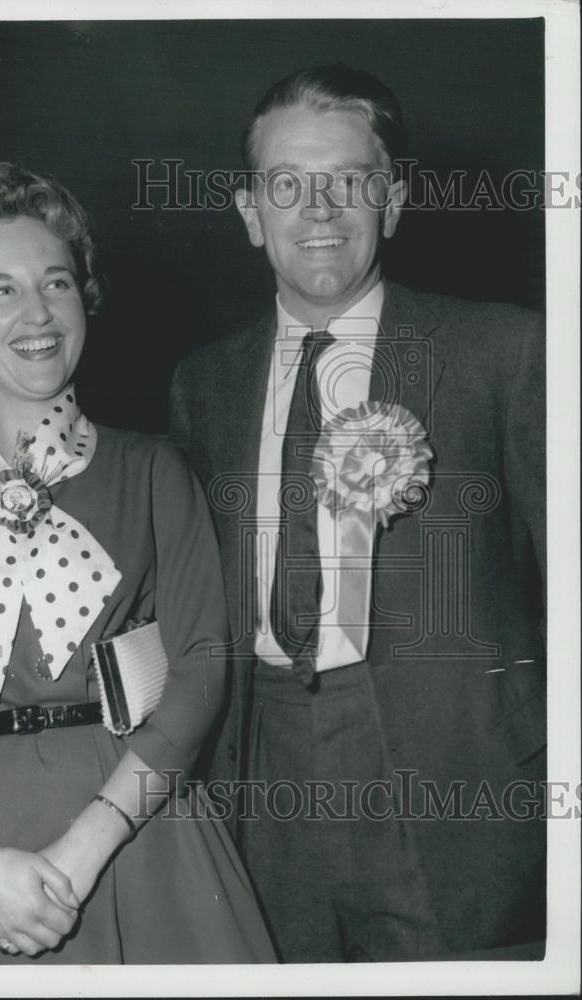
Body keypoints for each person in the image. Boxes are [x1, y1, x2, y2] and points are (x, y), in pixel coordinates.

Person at [170, 64, 546, 962]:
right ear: (249, 211)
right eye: (286, 185)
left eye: (348, 180)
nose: (320, 208)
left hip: (454, 780)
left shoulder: (507, 350)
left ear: (396, 198)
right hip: (258, 777)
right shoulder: (202, 384)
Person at [0, 162, 276, 965]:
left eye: (56, 283)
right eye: (0, 290)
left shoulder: (154, 469)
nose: (37, 312)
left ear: (83, 303)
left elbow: (201, 667)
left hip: (133, 835)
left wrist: (82, 853)